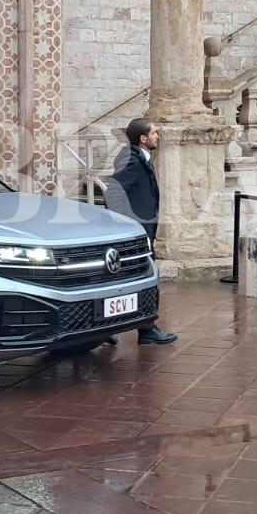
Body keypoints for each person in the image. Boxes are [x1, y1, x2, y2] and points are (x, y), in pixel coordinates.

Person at [105, 118, 179, 346]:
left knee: (125, 281)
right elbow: (113, 194)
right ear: (143, 139)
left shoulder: (139, 158)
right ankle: (147, 329)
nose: (158, 136)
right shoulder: (133, 161)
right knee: (147, 278)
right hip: (136, 235)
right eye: (154, 133)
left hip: (140, 232)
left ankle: (104, 328)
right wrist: (129, 225)